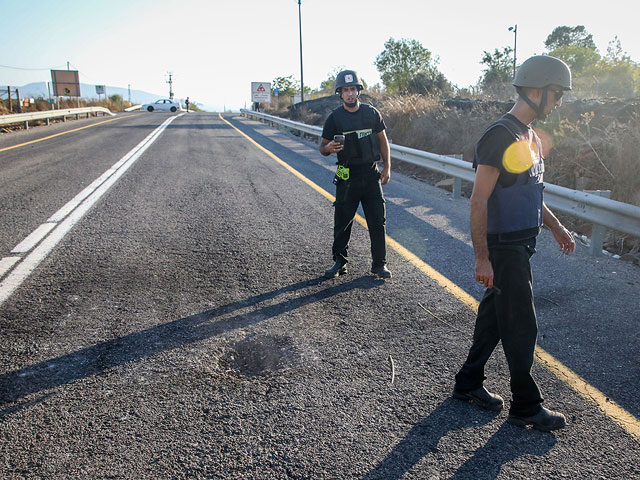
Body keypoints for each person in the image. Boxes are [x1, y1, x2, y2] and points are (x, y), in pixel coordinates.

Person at [452, 55, 576, 432]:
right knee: (522, 324)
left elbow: (530, 192)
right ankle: (526, 404)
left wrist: (554, 226)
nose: (558, 103)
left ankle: (468, 382)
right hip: (503, 248)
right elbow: (479, 200)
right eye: (556, 94)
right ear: (536, 91)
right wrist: (482, 258)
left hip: (523, 244)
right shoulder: (499, 135)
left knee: (493, 318)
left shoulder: (531, 136)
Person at [319, 69, 392, 279]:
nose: (350, 94)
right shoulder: (335, 118)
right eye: (345, 90)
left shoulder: (371, 113)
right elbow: (322, 148)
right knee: (343, 221)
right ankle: (339, 263)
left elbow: (383, 141)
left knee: (378, 221)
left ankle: (379, 265)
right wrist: (329, 148)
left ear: (358, 91)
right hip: (346, 175)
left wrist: (387, 167)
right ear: (340, 94)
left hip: (371, 174)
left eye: (353, 89)